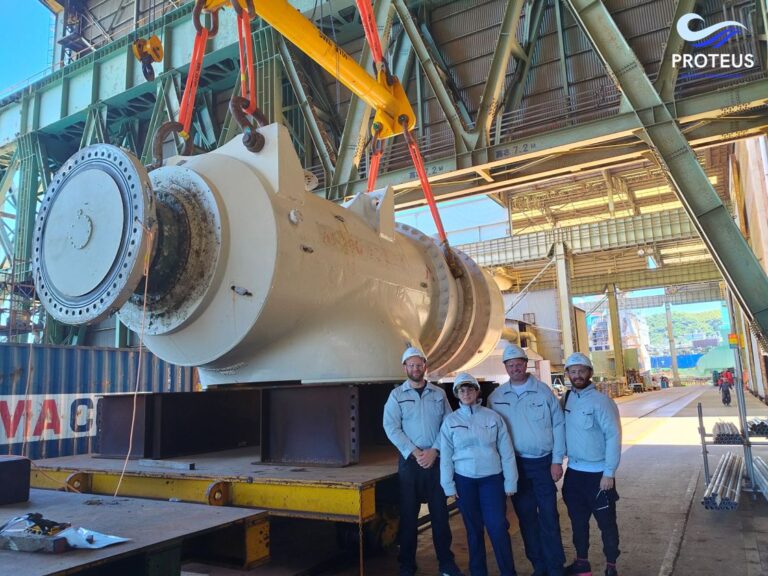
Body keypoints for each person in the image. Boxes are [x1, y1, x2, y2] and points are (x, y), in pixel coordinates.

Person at [383, 346, 464, 576]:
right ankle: (407, 564)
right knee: (408, 516)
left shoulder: (438, 394)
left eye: (419, 365)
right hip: (410, 463)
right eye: (411, 365)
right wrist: (415, 452)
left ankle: (446, 564)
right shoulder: (396, 396)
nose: (416, 368)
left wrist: (435, 450)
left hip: (436, 462)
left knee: (440, 515)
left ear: (425, 367)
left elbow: (448, 424)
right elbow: (391, 427)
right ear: (405, 368)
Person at [488, 343, 566, 576]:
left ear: (525, 364)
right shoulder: (496, 397)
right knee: (526, 518)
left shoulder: (543, 392)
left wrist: (557, 460)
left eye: (519, 364)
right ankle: (538, 566)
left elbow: (559, 425)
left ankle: (555, 567)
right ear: (505, 367)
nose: (515, 368)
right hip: (515, 467)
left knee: (549, 516)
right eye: (510, 365)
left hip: (543, 464)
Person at [440, 372, 518, 576]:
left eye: (470, 389)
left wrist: (510, 481)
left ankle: (508, 572)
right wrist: (448, 485)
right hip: (464, 481)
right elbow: (446, 456)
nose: (466, 393)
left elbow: (507, 451)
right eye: (462, 390)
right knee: (473, 530)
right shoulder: (450, 421)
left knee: (497, 527)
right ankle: (478, 572)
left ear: (477, 392)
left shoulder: (493, 417)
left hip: (491, 480)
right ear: (457, 394)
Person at [562, 352, 622, 576]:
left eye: (581, 371)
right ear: (567, 374)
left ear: (590, 373)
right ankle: (582, 565)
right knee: (578, 523)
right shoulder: (567, 399)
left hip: (598, 475)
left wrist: (609, 472)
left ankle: (611, 566)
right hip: (574, 473)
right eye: (573, 371)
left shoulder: (601, 402)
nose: (577, 375)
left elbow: (613, 436)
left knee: (606, 524)